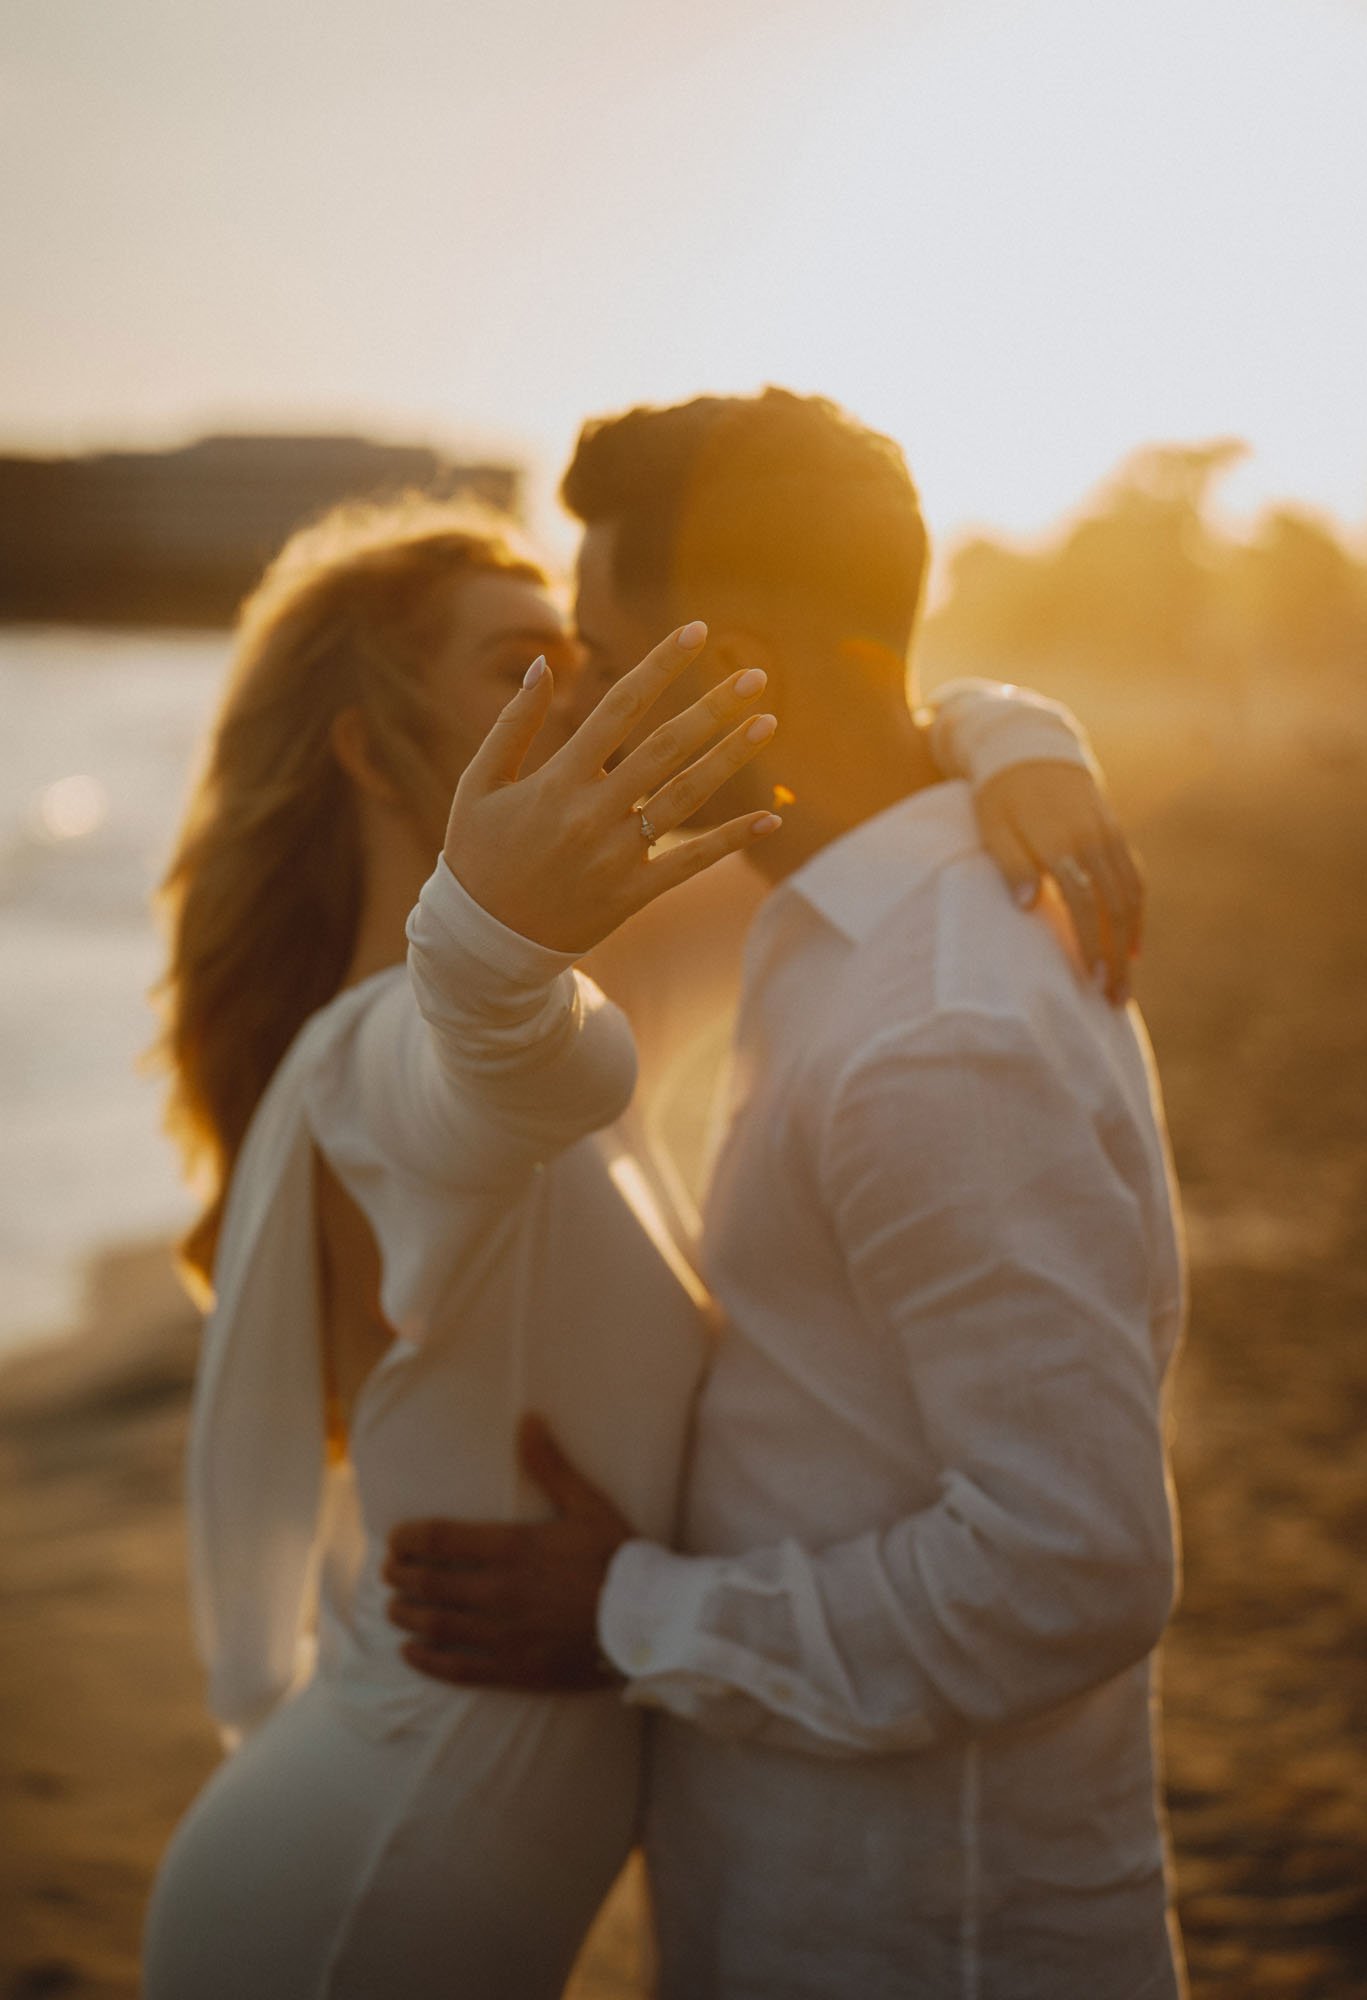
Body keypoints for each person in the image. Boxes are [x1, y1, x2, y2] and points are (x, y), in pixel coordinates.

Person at [142, 491, 1123, 1997]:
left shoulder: (582, 976)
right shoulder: (378, 1060)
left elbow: (860, 831)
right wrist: (483, 945)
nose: (593, 690)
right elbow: (493, 1066)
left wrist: (1013, 728)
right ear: (366, 746)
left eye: (585, 649)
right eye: (522, 663)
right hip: (360, 1892)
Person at [386, 391, 1186, 1999]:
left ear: (740, 658)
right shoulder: (857, 916)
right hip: (823, 1876)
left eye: (611, 669)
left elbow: (1077, 1565)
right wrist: (1006, 717)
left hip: (923, 1926)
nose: (580, 726)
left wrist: (630, 1611)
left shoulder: (939, 1033)